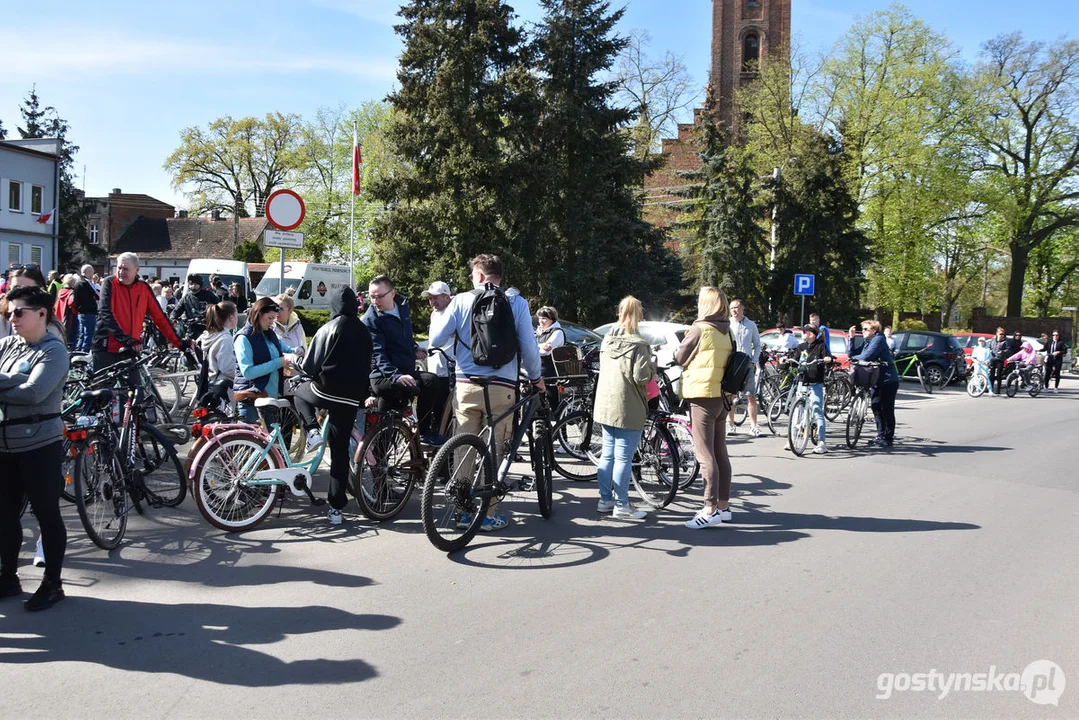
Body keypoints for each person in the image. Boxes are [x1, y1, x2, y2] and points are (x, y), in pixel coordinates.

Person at [428, 254, 543, 532]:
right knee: (495, 449)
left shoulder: (461, 300)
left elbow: (435, 340)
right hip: (502, 387)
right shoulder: (516, 302)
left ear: (479, 276)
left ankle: (462, 511)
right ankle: (488, 514)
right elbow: (528, 347)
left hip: (467, 385)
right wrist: (537, 378)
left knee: (464, 447)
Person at [0, 286, 71, 611]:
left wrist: (7, 383)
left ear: (41, 314)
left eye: (19, 312)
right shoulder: (6, 346)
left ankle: (52, 584)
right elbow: (23, 387)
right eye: (9, 312)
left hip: (40, 444)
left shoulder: (53, 351)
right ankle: (8, 576)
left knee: (46, 514)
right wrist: (14, 380)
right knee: (4, 515)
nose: (11, 318)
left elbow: (35, 393)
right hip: (5, 445)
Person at [293, 287, 374, 524]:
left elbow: (309, 367)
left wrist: (295, 364)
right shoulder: (364, 331)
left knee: (299, 393)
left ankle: (312, 431)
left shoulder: (329, 327)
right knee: (339, 453)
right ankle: (336, 509)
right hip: (350, 399)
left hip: (325, 392)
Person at [362, 274, 445, 445]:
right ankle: (424, 432)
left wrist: (414, 348)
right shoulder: (371, 319)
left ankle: (386, 464)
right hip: (383, 377)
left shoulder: (402, 307)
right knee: (429, 382)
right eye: (371, 296)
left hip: (404, 372)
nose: (374, 300)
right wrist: (396, 376)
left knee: (390, 429)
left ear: (392, 293)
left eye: (379, 296)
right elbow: (377, 353)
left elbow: (405, 336)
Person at [676, 287, 734, 528]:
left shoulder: (700, 328)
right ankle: (724, 505)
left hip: (702, 397)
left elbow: (680, 357)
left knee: (704, 454)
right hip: (723, 396)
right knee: (720, 452)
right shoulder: (726, 330)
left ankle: (709, 509)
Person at [592, 296, 653, 521]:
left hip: (606, 404)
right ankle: (622, 505)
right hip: (629, 406)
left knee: (607, 456)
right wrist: (652, 366)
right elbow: (641, 377)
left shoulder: (606, 339)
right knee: (623, 458)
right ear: (639, 314)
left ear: (619, 312)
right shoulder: (639, 344)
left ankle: (605, 500)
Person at [92, 253, 184, 371]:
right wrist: (126, 339)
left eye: (125, 269)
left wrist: (179, 343)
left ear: (136, 270)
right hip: (107, 347)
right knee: (103, 388)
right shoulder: (109, 283)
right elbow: (106, 313)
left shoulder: (143, 287)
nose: (121, 272)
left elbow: (159, 317)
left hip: (130, 348)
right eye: (119, 268)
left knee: (138, 387)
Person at [233, 297, 298, 424]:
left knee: (270, 439)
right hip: (252, 397)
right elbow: (248, 372)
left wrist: (298, 350)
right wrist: (279, 362)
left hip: (269, 396)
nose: (272, 322)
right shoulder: (243, 338)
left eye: (273, 319)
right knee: (249, 440)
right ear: (258, 314)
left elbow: (285, 348)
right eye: (269, 318)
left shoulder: (268, 334)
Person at [847, 320, 900, 447]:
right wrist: (851, 338)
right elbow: (852, 354)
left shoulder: (879, 340)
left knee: (886, 409)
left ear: (874, 331)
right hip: (876, 379)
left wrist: (853, 359)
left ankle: (888, 438)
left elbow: (867, 356)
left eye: (866, 329)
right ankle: (880, 435)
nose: (863, 331)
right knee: (876, 406)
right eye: (863, 329)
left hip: (888, 380)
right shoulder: (868, 341)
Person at [789, 324, 832, 454]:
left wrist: (827, 359)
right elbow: (794, 358)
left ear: (811, 334)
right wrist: (786, 360)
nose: (803, 333)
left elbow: (829, 358)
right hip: (802, 381)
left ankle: (821, 442)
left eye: (805, 332)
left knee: (817, 409)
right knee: (797, 410)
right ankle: (792, 438)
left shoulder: (820, 346)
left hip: (815, 382)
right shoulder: (801, 347)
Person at [421, 281, 454, 434]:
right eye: (430, 298)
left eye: (436, 298)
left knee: (445, 411)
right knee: (434, 407)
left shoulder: (454, 312)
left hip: (448, 371)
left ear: (447, 297)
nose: (432, 301)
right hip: (434, 369)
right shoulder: (434, 314)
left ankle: (446, 449)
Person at [728, 298, 762, 437]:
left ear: (742, 308)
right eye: (731, 308)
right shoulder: (728, 324)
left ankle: (754, 426)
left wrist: (753, 361)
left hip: (747, 365)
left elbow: (757, 345)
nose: (734, 311)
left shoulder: (751, 325)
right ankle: (730, 424)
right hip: (733, 365)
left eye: (736, 307)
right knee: (731, 396)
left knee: (751, 396)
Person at [197, 301, 239, 390]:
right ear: (231, 318)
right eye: (236, 316)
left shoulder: (208, 335)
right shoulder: (225, 339)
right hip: (224, 386)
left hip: (210, 382)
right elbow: (226, 368)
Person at [535, 306, 566, 409]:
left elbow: (545, 352)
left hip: (550, 372)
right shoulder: (538, 332)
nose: (541, 321)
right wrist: (541, 346)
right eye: (540, 318)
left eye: (544, 318)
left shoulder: (557, 332)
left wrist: (534, 346)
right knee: (537, 402)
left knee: (553, 403)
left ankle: (559, 423)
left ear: (552, 319)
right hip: (536, 370)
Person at [170, 274, 218, 338]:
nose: (193, 286)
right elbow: (176, 310)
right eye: (191, 284)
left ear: (200, 285)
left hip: (208, 328)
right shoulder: (186, 298)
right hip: (192, 328)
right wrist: (173, 319)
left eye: (195, 284)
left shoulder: (208, 294)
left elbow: (219, 306)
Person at [72, 264, 99, 354]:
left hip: (81, 312)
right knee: (88, 335)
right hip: (89, 312)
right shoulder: (86, 282)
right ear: (88, 272)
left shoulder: (77, 282)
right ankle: (84, 355)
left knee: (82, 335)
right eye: (92, 272)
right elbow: (97, 295)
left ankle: (77, 353)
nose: (92, 275)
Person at [987, 328, 1009, 396]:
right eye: (1000, 334)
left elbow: (1008, 350)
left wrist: (1003, 351)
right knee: (992, 374)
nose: (1001, 335)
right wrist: (989, 351)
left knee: (999, 374)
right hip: (993, 358)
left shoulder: (1005, 341)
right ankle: (990, 388)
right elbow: (989, 347)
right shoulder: (993, 340)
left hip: (1000, 359)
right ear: (997, 334)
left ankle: (998, 389)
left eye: (1003, 334)